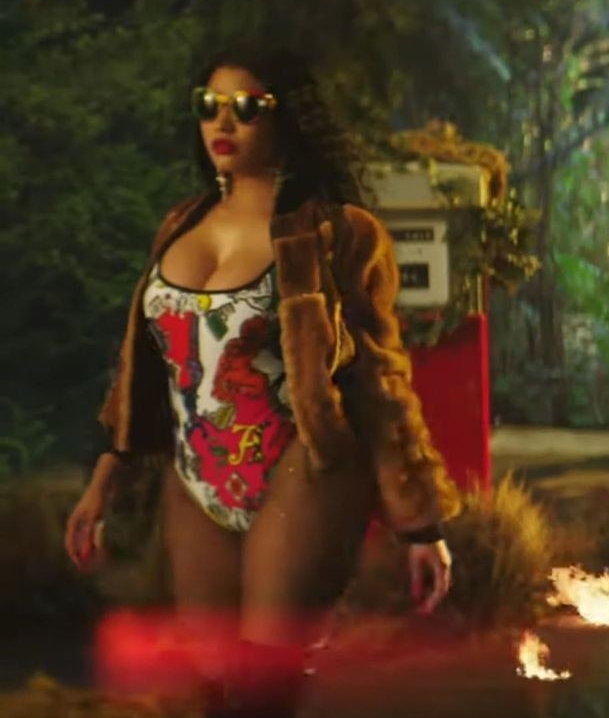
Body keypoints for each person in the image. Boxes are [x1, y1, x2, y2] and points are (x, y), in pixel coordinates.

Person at [61, 45, 460, 718]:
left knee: (264, 686)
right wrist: (103, 483)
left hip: (304, 465)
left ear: (287, 119)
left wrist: (420, 527)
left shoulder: (336, 234)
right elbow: (142, 373)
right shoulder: (179, 226)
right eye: (209, 105)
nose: (223, 122)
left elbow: (380, 383)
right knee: (215, 682)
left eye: (247, 107)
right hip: (196, 478)